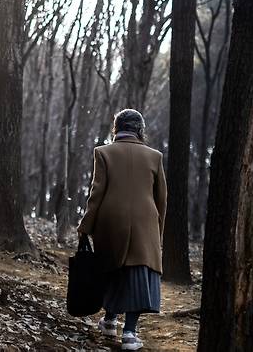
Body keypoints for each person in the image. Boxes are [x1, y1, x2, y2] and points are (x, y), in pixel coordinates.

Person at [77, 109, 167, 351]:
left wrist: (85, 226)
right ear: (140, 129)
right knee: (138, 272)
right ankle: (129, 333)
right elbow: (162, 199)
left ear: (116, 128)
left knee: (112, 269)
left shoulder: (103, 152)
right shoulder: (155, 156)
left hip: (110, 221)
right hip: (144, 222)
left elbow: (96, 195)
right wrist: (158, 232)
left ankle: (109, 320)